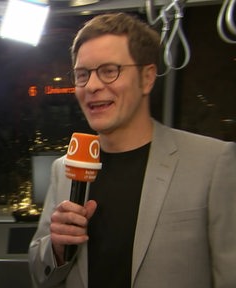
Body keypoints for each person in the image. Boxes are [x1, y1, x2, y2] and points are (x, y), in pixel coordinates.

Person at [28, 12, 236, 288]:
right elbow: (39, 275)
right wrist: (56, 248)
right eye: (82, 75)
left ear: (147, 78)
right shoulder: (63, 169)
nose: (91, 86)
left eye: (109, 71)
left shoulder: (212, 163)